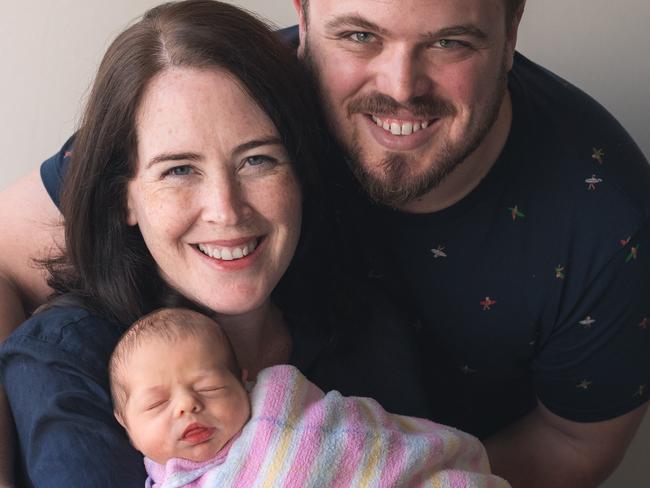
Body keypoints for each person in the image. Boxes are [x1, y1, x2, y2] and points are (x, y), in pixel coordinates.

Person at [0, 0, 648, 486]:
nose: (400, 85)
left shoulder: (358, 329)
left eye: (450, 42)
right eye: (360, 35)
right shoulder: (211, 90)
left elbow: (564, 444)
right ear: (304, 18)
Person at [0, 2, 433, 486]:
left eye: (258, 161)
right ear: (126, 197)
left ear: (300, 172)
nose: (226, 209)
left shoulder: (367, 328)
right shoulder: (66, 361)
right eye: (179, 170)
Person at [112, 307, 508, 487]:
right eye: (157, 404)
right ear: (123, 421)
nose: (187, 405)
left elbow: (363, 444)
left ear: (244, 382)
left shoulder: (287, 415)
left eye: (209, 387)